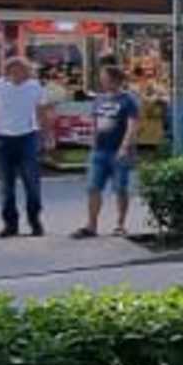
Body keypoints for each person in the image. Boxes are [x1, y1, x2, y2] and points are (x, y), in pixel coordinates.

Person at [0, 57, 53, 237]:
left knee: (32, 183)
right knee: (6, 186)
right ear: (10, 70)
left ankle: (34, 220)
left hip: (28, 136)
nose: (24, 73)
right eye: (20, 70)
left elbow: (42, 113)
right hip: (2, 138)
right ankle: (10, 223)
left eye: (26, 70)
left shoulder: (34, 87)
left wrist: (47, 136)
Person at [73, 65, 141, 238]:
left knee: (120, 188)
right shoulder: (99, 99)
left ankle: (120, 224)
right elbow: (95, 121)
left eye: (105, 77)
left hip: (119, 150)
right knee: (93, 187)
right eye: (102, 78)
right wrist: (92, 138)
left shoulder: (128, 100)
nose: (102, 81)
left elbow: (132, 125)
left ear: (116, 79)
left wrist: (125, 147)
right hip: (99, 150)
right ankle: (91, 225)